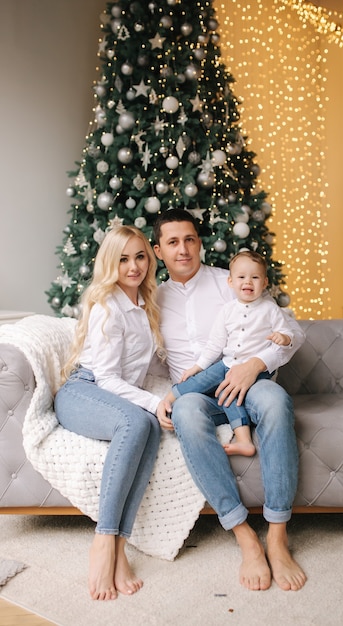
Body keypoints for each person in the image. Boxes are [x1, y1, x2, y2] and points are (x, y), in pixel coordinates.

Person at [153, 208, 307, 592]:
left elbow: (292, 332)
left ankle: (277, 535)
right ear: (158, 251)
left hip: (249, 383)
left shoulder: (232, 280)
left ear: (200, 243)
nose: (183, 249)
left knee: (275, 402)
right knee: (187, 410)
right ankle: (243, 535)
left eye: (190, 239)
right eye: (173, 242)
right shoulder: (151, 299)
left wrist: (256, 364)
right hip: (198, 394)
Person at [55, 225, 166, 601]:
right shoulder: (107, 305)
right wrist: (152, 401)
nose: (133, 266)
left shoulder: (142, 304)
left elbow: (144, 370)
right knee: (138, 418)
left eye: (139, 257)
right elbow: (106, 379)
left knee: (149, 426)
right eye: (123, 259)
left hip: (107, 392)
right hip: (82, 391)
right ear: (110, 262)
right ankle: (103, 542)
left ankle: (121, 546)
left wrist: (175, 391)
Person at [163, 250, 296, 457]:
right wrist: (198, 367)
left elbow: (288, 332)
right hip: (227, 364)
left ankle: (243, 440)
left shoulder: (270, 309)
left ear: (265, 282)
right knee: (202, 379)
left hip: (254, 370)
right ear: (231, 282)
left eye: (255, 277)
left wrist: (283, 338)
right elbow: (215, 344)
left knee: (229, 393)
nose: (248, 282)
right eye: (242, 277)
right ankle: (168, 400)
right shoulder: (227, 310)